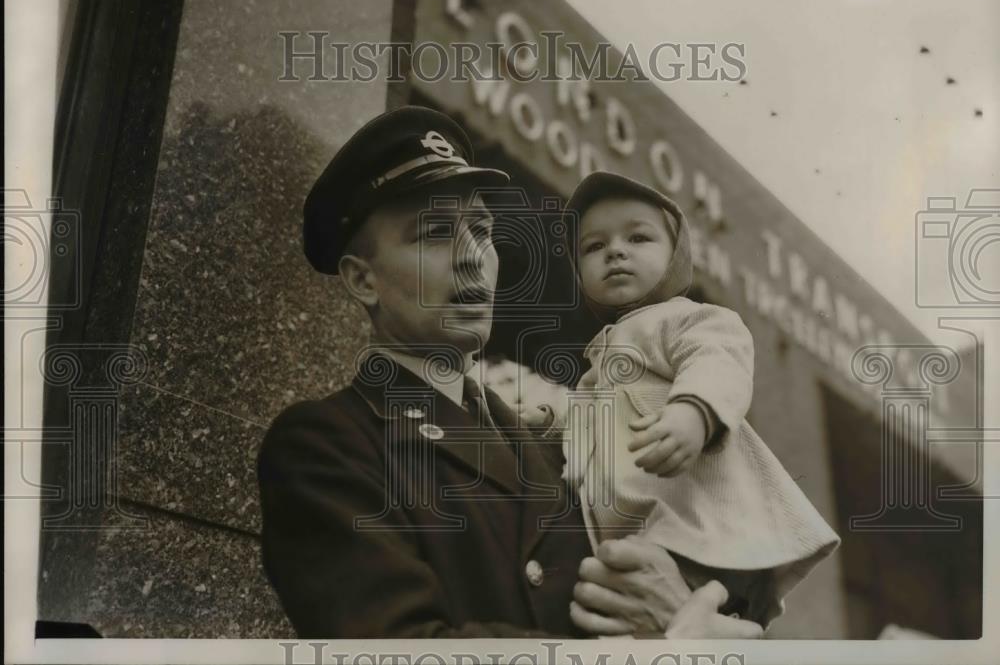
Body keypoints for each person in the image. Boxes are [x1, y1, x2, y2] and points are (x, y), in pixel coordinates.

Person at [257, 105, 766, 639]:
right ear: (363, 281)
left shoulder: (556, 445)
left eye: (481, 230)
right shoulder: (327, 444)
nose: (472, 257)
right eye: (433, 234)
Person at [545, 171, 839, 627]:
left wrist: (693, 412)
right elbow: (584, 421)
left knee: (678, 618)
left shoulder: (686, 320)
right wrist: (544, 418)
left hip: (702, 531)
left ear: (676, 256)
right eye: (593, 246)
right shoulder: (598, 364)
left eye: (638, 237)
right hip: (648, 539)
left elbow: (718, 358)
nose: (615, 251)